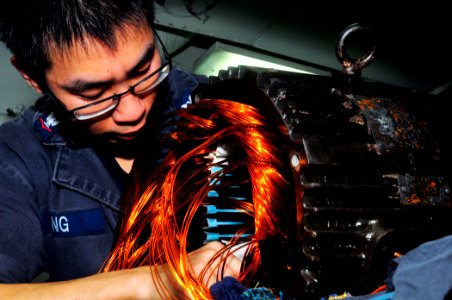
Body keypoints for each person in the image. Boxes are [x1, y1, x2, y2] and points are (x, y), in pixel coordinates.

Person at [0, 0, 241, 298]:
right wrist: (156, 282)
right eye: (94, 93)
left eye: (143, 70)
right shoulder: (19, 158)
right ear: (31, 76)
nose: (132, 111)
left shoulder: (230, 110)